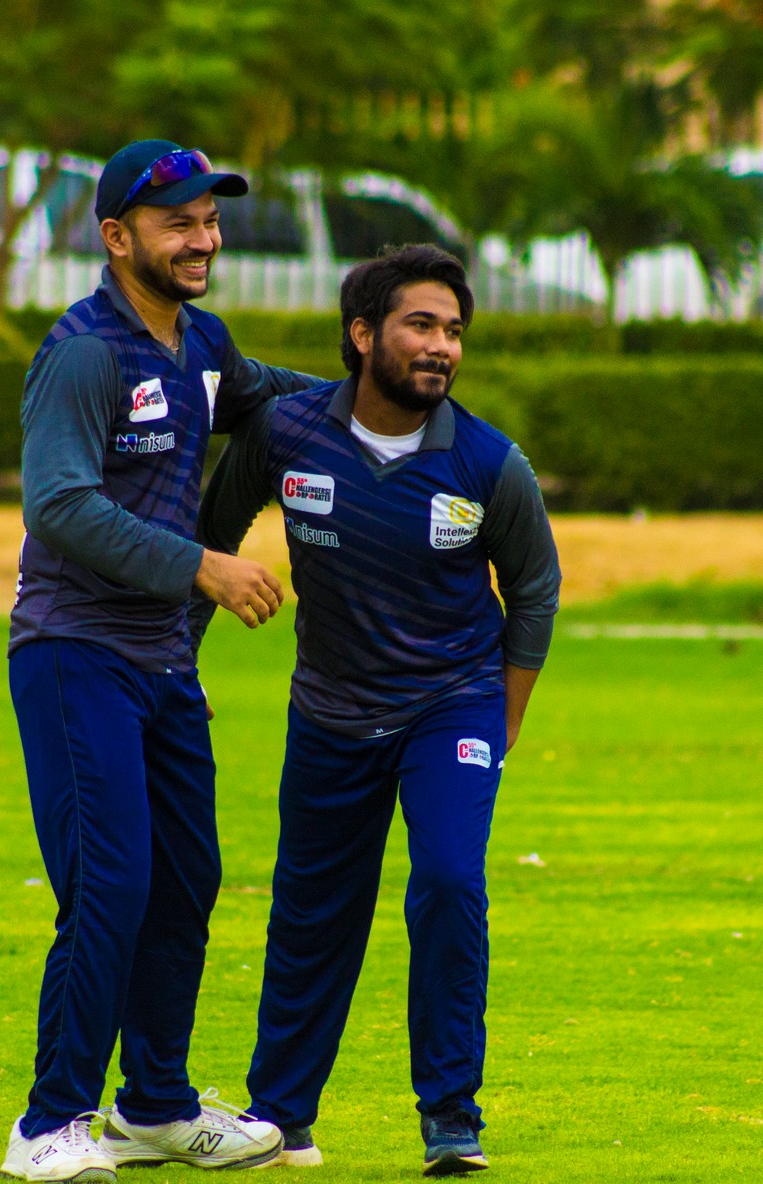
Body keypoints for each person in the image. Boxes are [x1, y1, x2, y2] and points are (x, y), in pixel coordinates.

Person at [193, 244, 562, 1176]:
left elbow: (535, 592)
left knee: (449, 882)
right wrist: (173, 666)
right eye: (420, 325)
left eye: (454, 331)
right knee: (311, 909)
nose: (442, 347)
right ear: (363, 335)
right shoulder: (286, 432)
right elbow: (208, 541)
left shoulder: (489, 462)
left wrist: (503, 721)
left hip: (452, 707)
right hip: (329, 709)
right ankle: (282, 1119)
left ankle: (451, 1118)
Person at [1, 139, 323, 1184]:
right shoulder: (85, 354)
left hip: (161, 665)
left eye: (211, 220)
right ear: (117, 236)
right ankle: (48, 1123)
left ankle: (155, 1110)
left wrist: (386, 400)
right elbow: (58, 503)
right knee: (111, 882)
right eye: (178, 222)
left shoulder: (203, 343)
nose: (203, 239)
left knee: (186, 881)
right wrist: (204, 566)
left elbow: (282, 401)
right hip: (72, 652)